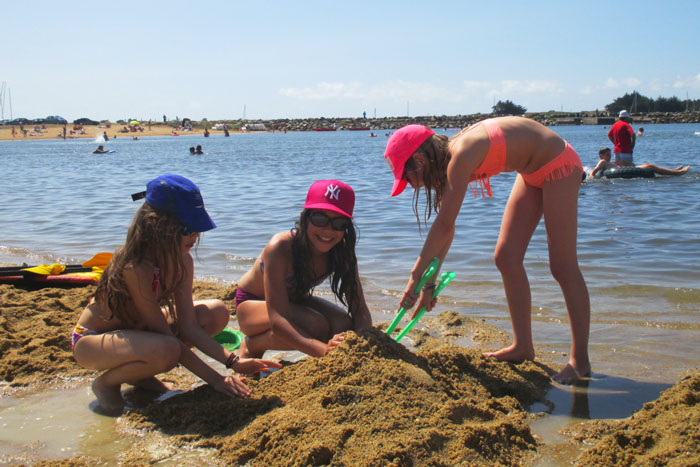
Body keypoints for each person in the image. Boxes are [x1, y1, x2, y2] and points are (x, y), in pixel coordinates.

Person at [383, 118, 590, 384]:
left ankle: (580, 362)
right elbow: (448, 228)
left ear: (420, 162)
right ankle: (523, 347)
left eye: (405, 177)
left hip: (559, 163)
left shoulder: (462, 153)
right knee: (506, 257)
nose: (410, 185)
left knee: (563, 266)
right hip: (530, 173)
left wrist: (414, 277)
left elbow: (444, 226)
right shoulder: (451, 161)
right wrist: (428, 284)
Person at [71, 174, 281, 414]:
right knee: (167, 349)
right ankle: (106, 384)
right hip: (92, 341)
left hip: (137, 335)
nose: (194, 237)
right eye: (187, 229)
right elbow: (167, 339)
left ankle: (143, 378)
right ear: (155, 225)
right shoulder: (136, 267)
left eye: (197, 229)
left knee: (215, 313)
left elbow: (189, 326)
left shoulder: (182, 261)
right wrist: (216, 380)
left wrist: (234, 362)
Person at [236, 180, 373, 359]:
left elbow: (359, 309)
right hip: (252, 306)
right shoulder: (281, 247)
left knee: (343, 324)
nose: (328, 230)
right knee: (316, 325)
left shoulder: (342, 251)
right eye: (319, 219)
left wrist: (365, 343)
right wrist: (326, 352)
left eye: (339, 223)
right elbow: (278, 319)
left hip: (294, 301)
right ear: (304, 217)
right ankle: (252, 345)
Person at [590, 147, 690, 178]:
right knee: (650, 166)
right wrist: (592, 178)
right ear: (601, 155)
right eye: (607, 154)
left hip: (623, 170)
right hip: (619, 172)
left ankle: (674, 170)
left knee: (648, 164)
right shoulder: (602, 162)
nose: (609, 156)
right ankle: (677, 173)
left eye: (610, 154)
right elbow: (594, 171)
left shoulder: (607, 162)